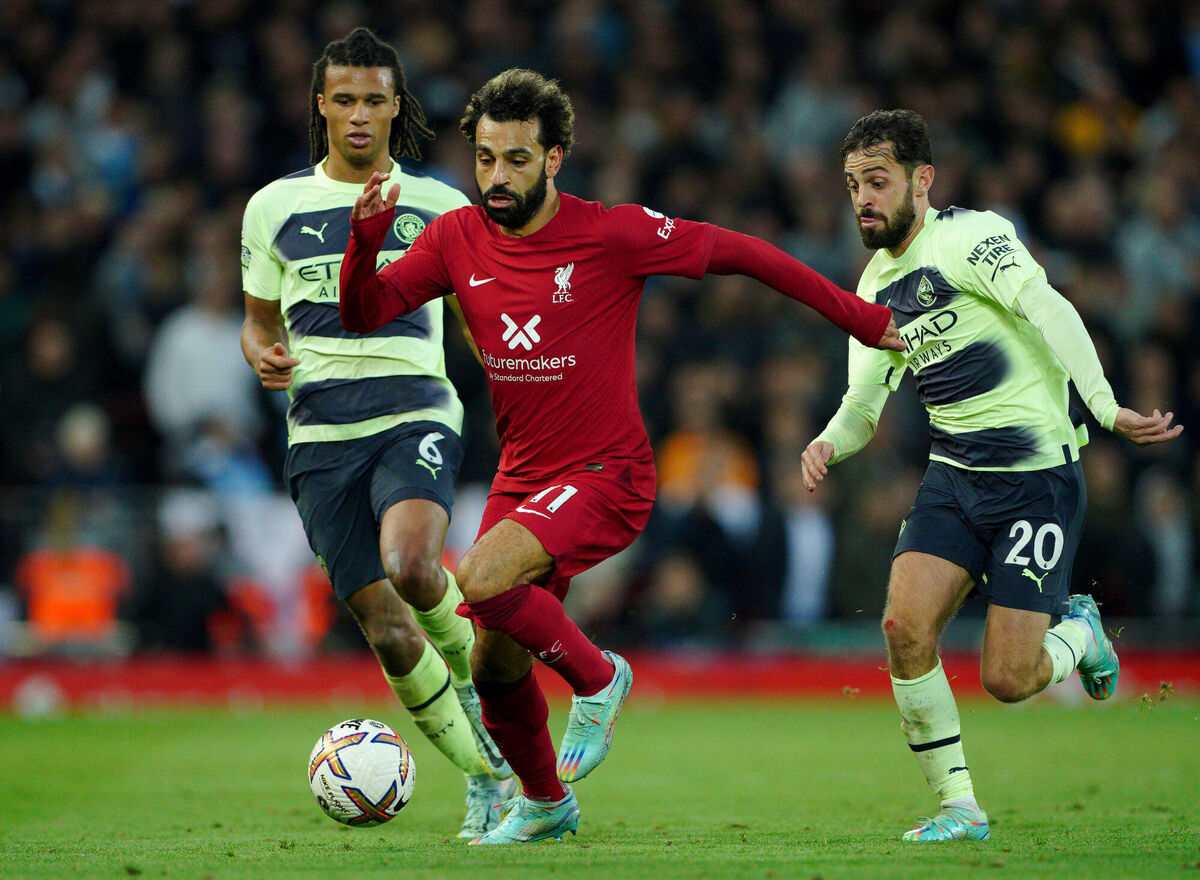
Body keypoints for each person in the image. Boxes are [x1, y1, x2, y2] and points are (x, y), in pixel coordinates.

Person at [339, 68, 904, 845]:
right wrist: (365, 240)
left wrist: (861, 317)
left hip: (609, 474)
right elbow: (365, 311)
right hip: (522, 477)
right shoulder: (454, 239)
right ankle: (546, 804)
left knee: (475, 578)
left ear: (556, 158)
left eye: (516, 159)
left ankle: (600, 678)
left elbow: (744, 254)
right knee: (494, 663)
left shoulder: (610, 234)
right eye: (486, 159)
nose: (497, 177)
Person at [800, 109, 1184, 842]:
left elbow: (1050, 307)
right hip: (954, 476)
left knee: (1008, 679)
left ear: (923, 180)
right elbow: (862, 405)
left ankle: (1082, 633)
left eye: (877, 182)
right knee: (901, 628)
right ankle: (958, 807)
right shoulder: (875, 285)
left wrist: (1103, 405)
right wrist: (826, 443)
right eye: (852, 186)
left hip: (1037, 479)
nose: (862, 201)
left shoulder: (972, 238)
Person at [238, 27, 513, 839]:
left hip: (414, 412)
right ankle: (486, 778)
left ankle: (484, 694)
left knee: (413, 564)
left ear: (397, 109)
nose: (359, 115)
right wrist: (264, 355)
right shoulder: (272, 207)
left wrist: (527, 389)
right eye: (345, 99)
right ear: (321, 105)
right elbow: (255, 324)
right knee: (389, 631)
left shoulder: (442, 204)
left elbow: (483, 321)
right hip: (318, 436)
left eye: (375, 101)